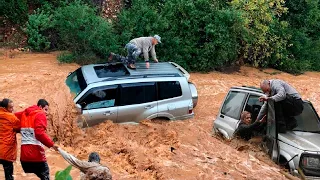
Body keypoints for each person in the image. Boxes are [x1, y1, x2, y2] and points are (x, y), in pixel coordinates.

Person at [15, 99, 58, 180]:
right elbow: (39, 134)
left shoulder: (24, 113)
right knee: (46, 175)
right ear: (40, 107)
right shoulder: (40, 114)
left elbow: (12, 118)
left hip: (24, 158)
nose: (46, 112)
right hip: (36, 156)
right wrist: (52, 144)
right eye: (45, 109)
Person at [0, 98, 20, 180]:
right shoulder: (11, 117)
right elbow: (19, 128)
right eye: (10, 108)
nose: (12, 109)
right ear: (5, 108)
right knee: (8, 176)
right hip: (6, 151)